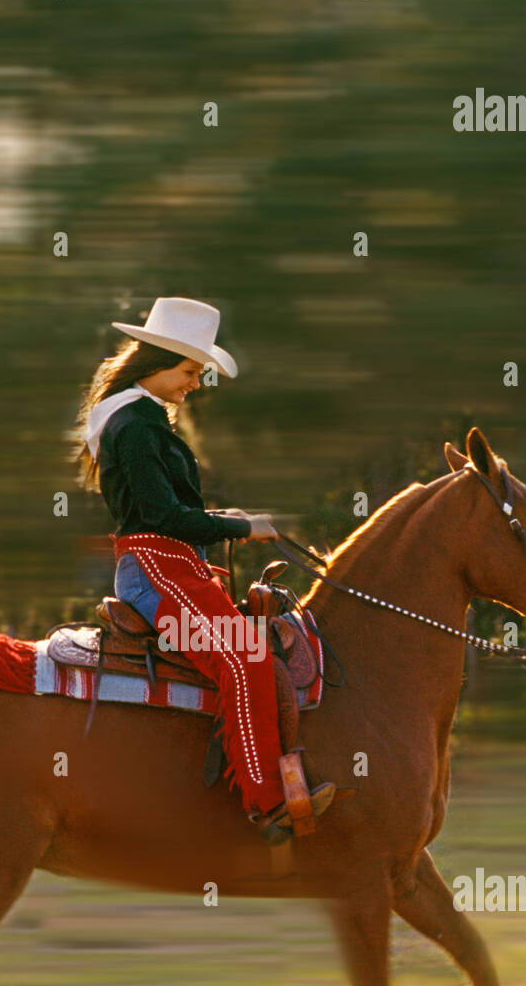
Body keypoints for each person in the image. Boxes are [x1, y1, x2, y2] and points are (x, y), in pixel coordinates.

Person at [70, 297, 335, 843]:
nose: (195, 383)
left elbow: (167, 511)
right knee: (244, 657)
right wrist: (240, 528)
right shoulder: (136, 426)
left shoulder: (141, 418)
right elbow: (164, 518)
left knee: (245, 652)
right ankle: (269, 803)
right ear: (157, 363)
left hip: (171, 562)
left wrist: (227, 520)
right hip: (156, 568)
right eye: (190, 371)